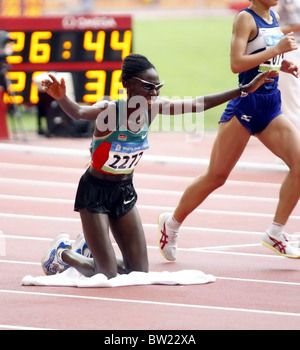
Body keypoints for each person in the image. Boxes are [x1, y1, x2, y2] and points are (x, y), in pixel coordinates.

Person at [40, 53, 272, 279]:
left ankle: (90, 251)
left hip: (124, 191)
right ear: (128, 85)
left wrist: (243, 90)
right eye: (148, 87)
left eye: (157, 86)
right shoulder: (110, 110)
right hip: (95, 192)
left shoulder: (153, 108)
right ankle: (63, 253)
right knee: (106, 275)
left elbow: (197, 105)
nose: (155, 92)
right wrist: (62, 97)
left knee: (139, 271)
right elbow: (80, 113)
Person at [158, 0, 300, 262]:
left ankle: (275, 233)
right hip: (245, 107)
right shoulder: (245, 18)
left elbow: (262, 56)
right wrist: (276, 50)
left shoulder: (272, 17)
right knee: (217, 177)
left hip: (271, 106)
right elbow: (237, 64)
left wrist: (281, 64)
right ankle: (172, 223)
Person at [273, 0, 300, 130]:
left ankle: (292, 154)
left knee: (290, 103)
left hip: (291, 48)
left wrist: (271, 31)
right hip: (291, 46)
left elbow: (298, 23)